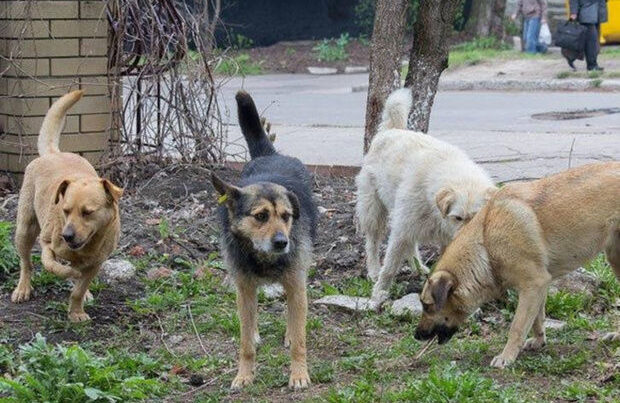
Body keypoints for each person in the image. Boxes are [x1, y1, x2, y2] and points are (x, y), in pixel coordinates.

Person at [569, 0, 608, 71]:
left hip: (597, 13)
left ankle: (593, 64)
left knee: (594, 42)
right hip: (586, 13)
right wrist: (573, 12)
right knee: (591, 42)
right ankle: (592, 65)